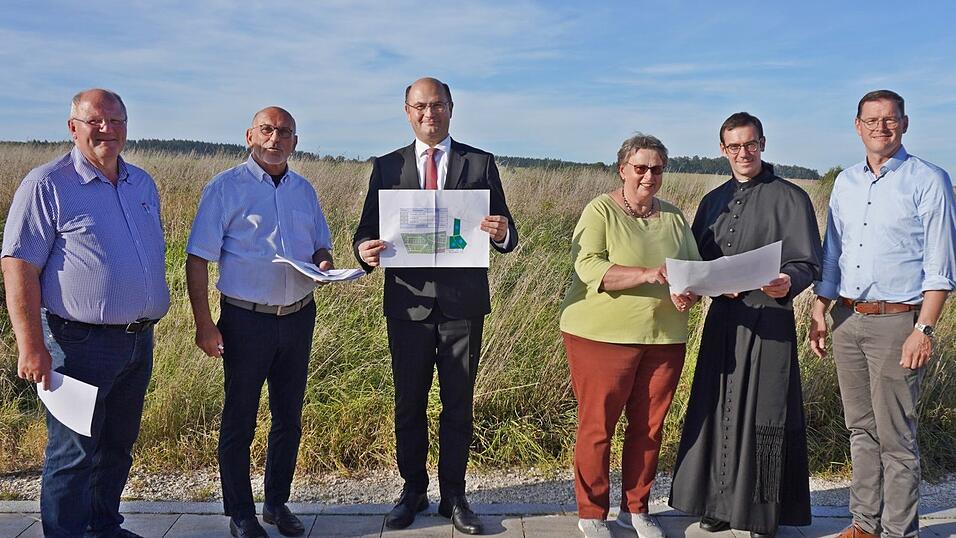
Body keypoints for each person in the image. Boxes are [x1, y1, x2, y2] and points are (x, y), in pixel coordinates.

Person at [352, 77, 518, 535]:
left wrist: (501, 233)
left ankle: (455, 495)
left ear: (451, 108)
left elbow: (508, 230)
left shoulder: (479, 162)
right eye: (420, 106)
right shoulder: (387, 167)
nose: (430, 114)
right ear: (407, 111)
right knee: (409, 402)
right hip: (407, 305)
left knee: (458, 403)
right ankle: (411, 491)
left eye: (438, 105)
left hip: (462, 306)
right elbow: (365, 231)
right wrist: (364, 249)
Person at [1, 89, 169, 538]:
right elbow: (18, 265)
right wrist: (31, 345)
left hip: (137, 341)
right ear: (73, 127)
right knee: (73, 454)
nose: (107, 130)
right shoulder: (47, 184)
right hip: (77, 344)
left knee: (117, 447)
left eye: (116, 121)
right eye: (95, 121)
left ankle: (102, 527)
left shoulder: (142, 183)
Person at [809, 90, 956, 538]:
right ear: (857, 126)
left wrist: (923, 329)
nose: (880, 127)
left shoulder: (929, 179)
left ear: (905, 124)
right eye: (871, 120)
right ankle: (864, 524)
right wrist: (820, 307)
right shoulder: (846, 182)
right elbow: (833, 252)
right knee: (861, 429)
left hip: (899, 323)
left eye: (889, 120)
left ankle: (898, 532)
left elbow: (941, 265)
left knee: (896, 436)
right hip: (847, 321)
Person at [668, 112, 821, 537]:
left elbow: (807, 261)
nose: (743, 153)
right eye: (734, 146)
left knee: (765, 414)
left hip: (770, 321)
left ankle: (760, 512)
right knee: (717, 408)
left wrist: (788, 282)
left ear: (763, 143)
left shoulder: (792, 198)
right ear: (722, 150)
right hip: (723, 320)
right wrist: (695, 283)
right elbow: (696, 259)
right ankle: (717, 505)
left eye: (750, 144)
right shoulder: (713, 200)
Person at [185, 107, 333, 538]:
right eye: (267, 130)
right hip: (246, 321)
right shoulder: (225, 189)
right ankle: (241, 514)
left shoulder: (304, 191)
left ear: (295, 141)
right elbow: (197, 259)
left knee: (288, 416)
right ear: (250, 135)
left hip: (298, 316)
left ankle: (276, 504)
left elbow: (320, 244)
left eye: (284, 132)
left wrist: (324, 262)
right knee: (241, 418)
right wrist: (204, 324)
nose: (275, 139)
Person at [559, 134, 700, 538]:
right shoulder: (600, 210)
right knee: (598, 425)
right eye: (640, 168)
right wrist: (647, 274)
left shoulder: (673, 217)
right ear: (622, 169)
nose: (648, 176)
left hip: (664, 337)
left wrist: (689, 290)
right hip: (601, 336)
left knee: (649, 427)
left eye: (656, 169)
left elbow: (691, 268)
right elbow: (588, 267)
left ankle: (635, 509)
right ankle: (592, 512)